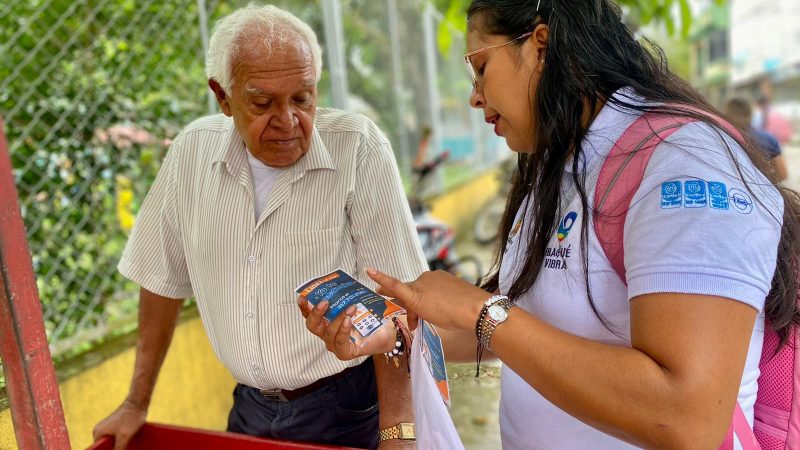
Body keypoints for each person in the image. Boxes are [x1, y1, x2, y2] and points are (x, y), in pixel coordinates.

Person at [300, 0, 800, 448]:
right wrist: (396, 331)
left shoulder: (684, 162)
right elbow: (529, 330)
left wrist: (480, 309)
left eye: (480, 67)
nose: (475, 97)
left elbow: (687, 418)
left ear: (541, 44)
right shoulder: (559, 166)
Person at [92, 5, 426, 450]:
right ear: (223, 97)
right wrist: (136, 402)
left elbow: (402, 301)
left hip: (344, 406)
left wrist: (398, 433)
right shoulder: (192, 153)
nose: (288, 121)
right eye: (263, 102)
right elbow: (161, 278)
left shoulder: (357, 149)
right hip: (248, 407)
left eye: (303, 98)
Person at [725, 97, 788, 182]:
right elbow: (782, 174)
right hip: (761, 192)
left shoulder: (720, 139)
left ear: (726, 114)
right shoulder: (768, 139)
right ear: (750, 114)